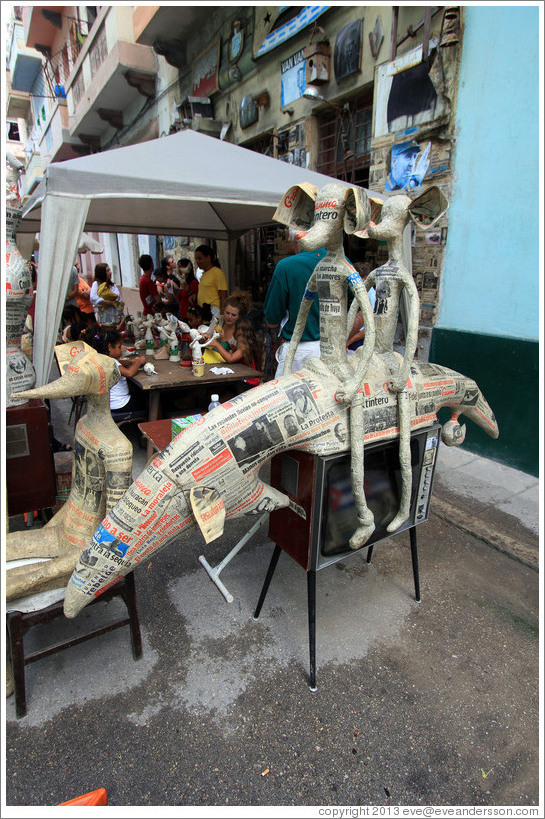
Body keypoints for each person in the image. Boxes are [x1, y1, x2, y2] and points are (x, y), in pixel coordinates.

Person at [263, 240, 325, 377]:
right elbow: (360, 311)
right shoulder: (342, 261)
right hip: (331, 350)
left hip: (297, 351)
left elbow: (271, 320)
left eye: (291, 242)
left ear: (298, 239)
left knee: (289, 397)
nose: (291, 246)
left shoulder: (286, 266)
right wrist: (346, 339)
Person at [82, 325, 147, 419]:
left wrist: (129, 361)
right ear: (109, 347)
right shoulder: (112, 362)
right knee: (149, 399)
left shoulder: (100, 358)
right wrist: (139, 361)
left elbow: (117, 365)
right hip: (119, 404)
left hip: (105, 403)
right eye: (119, 347)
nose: (121, 350)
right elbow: (129, 373)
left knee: (136, 391)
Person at [206, 316, 262, 388]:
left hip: (249, 381)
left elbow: (230, 359)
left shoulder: (244, 347)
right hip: (245, 378)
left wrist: (216, 345)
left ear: (238, 332)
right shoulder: (246, 345)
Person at [203, 290, 252, 363]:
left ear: (240, 316)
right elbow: (207, 338)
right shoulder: (219, 320)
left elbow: (231, 359)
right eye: (227, 313)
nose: (229, 317)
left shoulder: (243, 330)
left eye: (233, 315)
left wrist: (217, 344)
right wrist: (205, 337)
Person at [194, 245, 228, 312]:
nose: (197, 261)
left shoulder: (217, 273)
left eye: (200, 258)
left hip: (214, 314)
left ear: (208, 258)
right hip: (204, 314)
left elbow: (223, 296)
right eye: (196, 259)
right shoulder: (204, 274)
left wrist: (221, 314)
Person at [90, 263, 124, 328]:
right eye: (107, 271)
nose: (110, 272)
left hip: (116, 316)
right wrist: (108, 303)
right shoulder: (96, 284)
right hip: (105, 316)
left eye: (110, 270)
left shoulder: (113, 286)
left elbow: (119, 298)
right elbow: (93, 298)